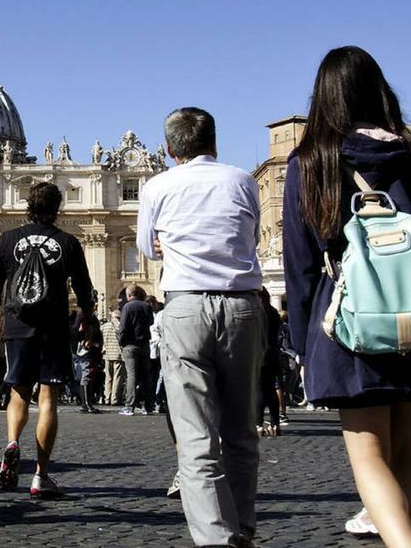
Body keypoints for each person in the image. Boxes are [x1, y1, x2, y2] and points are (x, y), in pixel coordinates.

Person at [283, 48, 411, 548]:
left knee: (369, 455)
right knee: (408, 454)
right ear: (379, 89)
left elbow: (301, 264)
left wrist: (304, 345)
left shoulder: (311, 161)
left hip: (349, 321)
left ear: (323, 96)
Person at [137, 106, 265, 548]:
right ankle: (243, 528)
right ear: (215, 140)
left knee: (196, 437)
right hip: (243, 308)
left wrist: (167, 239)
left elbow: (148, 249)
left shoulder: (157, 186)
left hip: (186, 308)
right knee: (241, 432)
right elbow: (252, 237)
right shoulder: (243, 181)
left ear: (170, 149)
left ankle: (215, 540)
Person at [0, 181, 95, 498]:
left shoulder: (6, 240)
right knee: (47, 400)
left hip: (16, 327)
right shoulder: (68, 242)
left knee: (18, 393)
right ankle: (40, 475)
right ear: (58, 209)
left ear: (26, 206)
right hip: (54, 328)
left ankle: (12, 442)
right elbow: (85, 291)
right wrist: (87, 322)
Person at [117, 286, 155, 416]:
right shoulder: (147, 307)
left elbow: (122, 327)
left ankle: (130, 406)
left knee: (132, 375)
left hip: (130, 345)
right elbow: (151, 322)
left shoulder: (127, 307)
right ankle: (149, 406)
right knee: (146, 375)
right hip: (144, 344)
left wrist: (121, 342)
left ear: (129, 295)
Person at [257, 288, 283, 437]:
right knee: (271, 390)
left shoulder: (258, 313)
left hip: (259, 353)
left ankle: (259, 424)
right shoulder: (273, 312)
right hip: (273, 353)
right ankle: (275, 424)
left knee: (259, 389)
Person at [100, 310, 124, 406]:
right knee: (117, 377)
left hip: (107, 354)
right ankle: (114, 399)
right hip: (118, 354)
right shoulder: (120, 326)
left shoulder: (104, 326)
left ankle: (107, 398)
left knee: (108, 377)